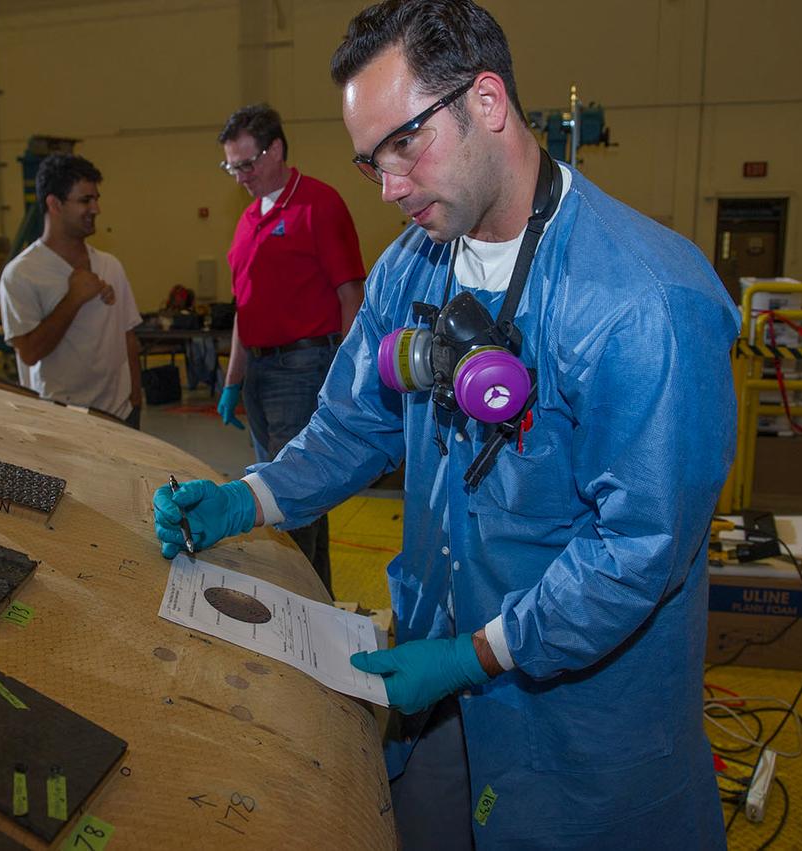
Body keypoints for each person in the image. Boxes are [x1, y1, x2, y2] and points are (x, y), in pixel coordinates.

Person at [155, 1, 736, 846]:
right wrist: (247, 499)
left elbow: (635, 549)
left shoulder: (643, 305)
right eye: (368, 162)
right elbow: (353, 425)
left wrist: (478, 655)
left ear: (488, 103)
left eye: (405, 144)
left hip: (580, 735)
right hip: (431, 687)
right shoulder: (410, 268)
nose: (389, 187)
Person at [214, 103, 367, 593]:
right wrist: (233, 380)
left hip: (303, 368)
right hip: (260, 374)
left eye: (247, 163)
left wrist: (347, 377)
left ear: (275, 149)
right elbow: (244, 310)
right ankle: (315, 604)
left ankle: (303, 609)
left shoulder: (318, 205)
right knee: (291, 496)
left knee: (291, 496)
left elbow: (351, 295)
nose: (240, 176)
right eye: (231, 166)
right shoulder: (246, 220)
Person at [0, 153, 143, 427]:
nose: (96, 208)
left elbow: (128, 338)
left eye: (96, 198)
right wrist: (73, 298)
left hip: (121, 415)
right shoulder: (21, 274)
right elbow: (29, 353)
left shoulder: (110, 265)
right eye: (85, 200)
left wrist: (135, 400)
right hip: (60, 421)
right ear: (54, 204)